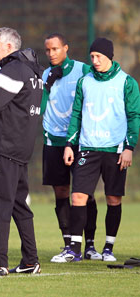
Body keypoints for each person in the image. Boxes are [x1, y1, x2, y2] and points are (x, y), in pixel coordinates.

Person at [63, 37, 140, 262]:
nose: (95, 61)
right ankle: (74, 250)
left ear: (110, 57)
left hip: (115, 149)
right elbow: (76, 114)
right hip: (87, 147)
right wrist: (69, 144)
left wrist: (129, 148)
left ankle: (108, 247)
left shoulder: (126, 82)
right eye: (92, 57)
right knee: (77, 196)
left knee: (113, 198)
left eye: (99, 57)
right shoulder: (84, 82)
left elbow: (134, 116)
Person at [0, 27, 42, 276]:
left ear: (9, 48)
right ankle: (30, 261)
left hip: (3, 149)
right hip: (21, 150)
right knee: (19, 206)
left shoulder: (11, 69)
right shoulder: (34, 72)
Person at [41, 33, 101, 263]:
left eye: (55, 49)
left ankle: (90, 244)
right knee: (62, 193)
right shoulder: (45, 74)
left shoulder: (83, 70)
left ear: (66, 48)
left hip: (80, 141)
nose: (51, 53)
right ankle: (68, 244)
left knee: (85, 194)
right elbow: (39, 107)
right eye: (47, 50)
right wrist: (47, 84)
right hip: (53, 141)